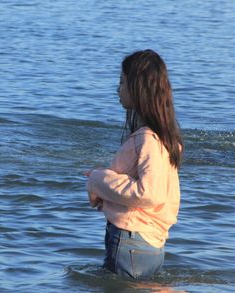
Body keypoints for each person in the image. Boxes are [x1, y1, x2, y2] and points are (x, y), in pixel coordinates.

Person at [85, 49, 183, 280]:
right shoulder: (162, 139)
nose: (117, 89)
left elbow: (148, 192)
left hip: (133, 242)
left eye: (122, 82)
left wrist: (98, 180)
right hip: (143, 244)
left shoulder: (148, 139)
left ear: (138, 88)